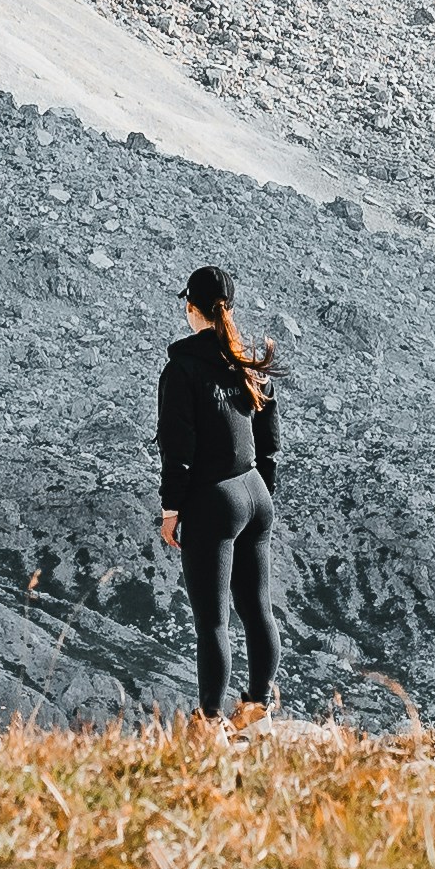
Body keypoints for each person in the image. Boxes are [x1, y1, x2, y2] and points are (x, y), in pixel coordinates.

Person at [155, 260, 280, 721]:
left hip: (214, 499)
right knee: (257, 610)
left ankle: (208, 722)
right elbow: (269, 444)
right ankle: (258, 706)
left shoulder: (182, 369)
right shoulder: (247, 362)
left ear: (191, 308)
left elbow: (178, 449)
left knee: (213, 621)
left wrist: (171, 512)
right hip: (254, 493)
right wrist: (262, 496)